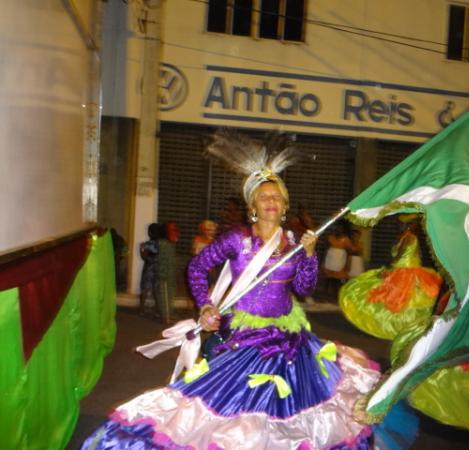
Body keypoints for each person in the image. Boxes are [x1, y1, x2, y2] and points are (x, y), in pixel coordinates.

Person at [82, 131, 380, 449]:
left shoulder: (293, 242)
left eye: (277, 197)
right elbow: (196, 268)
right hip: (246, 335)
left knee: (291, 408)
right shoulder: (238, 239)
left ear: (285, 205)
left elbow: (305, 287)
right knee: (238, 405)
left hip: (289, 336)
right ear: (253, 205)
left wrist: (309, 255)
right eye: (264, 197)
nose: (271, 202)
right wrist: (206, 306)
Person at [139, 222, 164, 317]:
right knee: (156, 290)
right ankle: (158, 310)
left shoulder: (146, 245)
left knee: (145, 289)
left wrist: (142, 249)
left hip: (148, 268)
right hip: (159, 269)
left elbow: (143, 257)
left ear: (150, 232)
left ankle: (141, 309)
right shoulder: (163, 245)